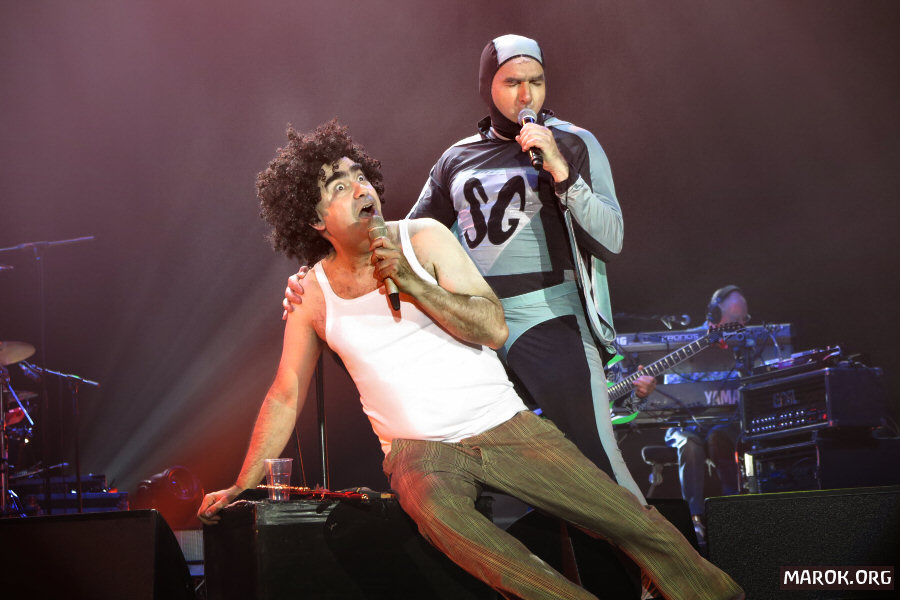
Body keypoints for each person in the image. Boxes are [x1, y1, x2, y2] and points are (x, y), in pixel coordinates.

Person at [199, 121, 744, 600]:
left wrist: (414, 284)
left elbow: (493, 326)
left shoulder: (424, 238)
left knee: (628, 520)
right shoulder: (312, 296)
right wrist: (243, 483)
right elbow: (287, 392)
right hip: (420, 452)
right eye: (338, 187)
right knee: (456, 528)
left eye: (358, 175)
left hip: (503, 424)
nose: (360, 188)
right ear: (316, 221)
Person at [282, 34, 653, 501]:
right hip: (473, 325)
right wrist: (317, 276)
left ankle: (652, 550)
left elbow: (612, 239)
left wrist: (561, 170)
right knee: (498, 471)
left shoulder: (574, 142)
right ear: (487, 87)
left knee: (597, 462)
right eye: (512, 82)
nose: (527, 95)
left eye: (536, 81)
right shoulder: (456, 159)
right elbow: (400, 238)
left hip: (549, 316)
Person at [663, 286, 751, 545]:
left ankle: (732, 511)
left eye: (744, 319)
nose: (741, 325)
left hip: (723, 422)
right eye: (735, 319)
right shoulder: (687, 342)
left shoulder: (744, 345)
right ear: (714, 314)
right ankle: (695, 521)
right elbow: (671, 387)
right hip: (686, 422)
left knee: (719, 436)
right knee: (689, 444)